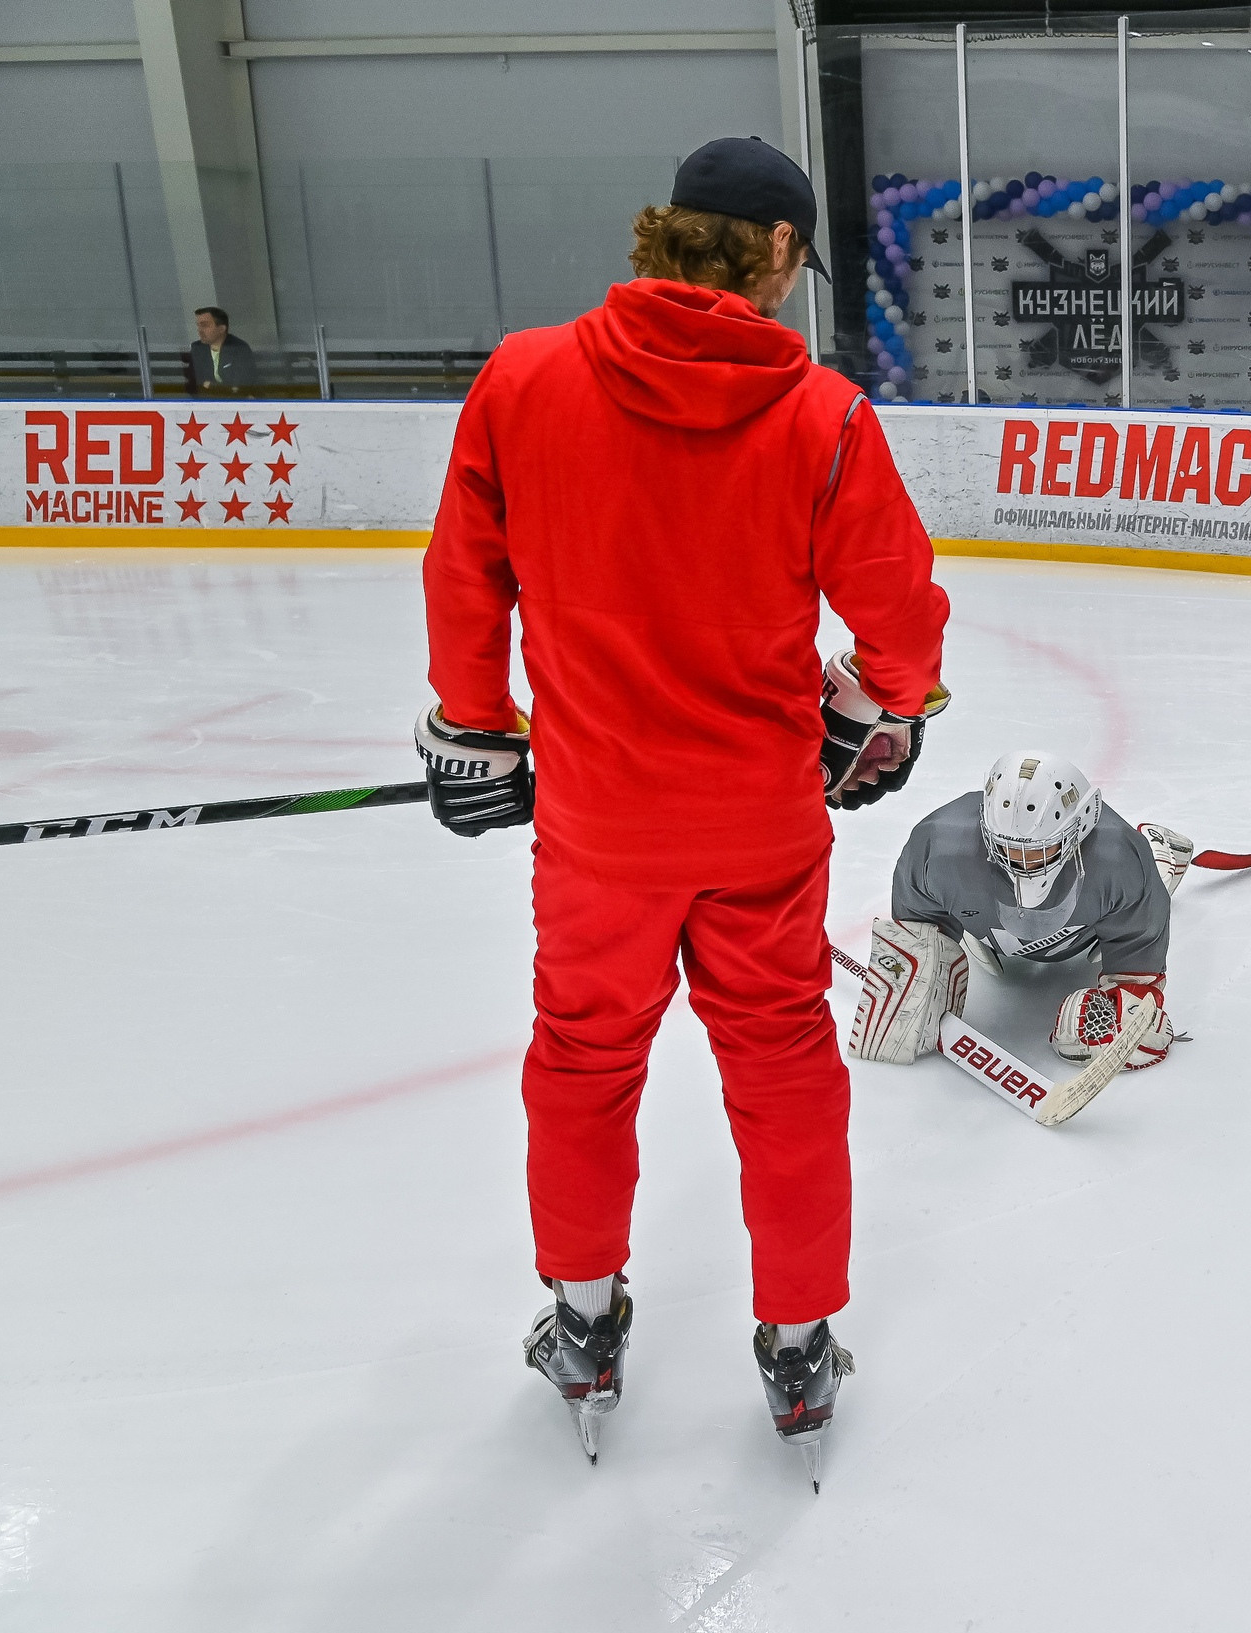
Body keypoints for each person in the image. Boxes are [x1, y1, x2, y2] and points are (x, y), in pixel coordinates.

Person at [418, 137, 949, 1472]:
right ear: (775, 249)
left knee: (582, 1065)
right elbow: (898, 619)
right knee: (781, 1072)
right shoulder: (822, 416)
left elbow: (464, 580)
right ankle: (798, 1337)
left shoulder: (522, 381)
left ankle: (585, 1318)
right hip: (760, 831)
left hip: (598, 832)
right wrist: (885, 714)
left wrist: (478, 731)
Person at [855, 750, 1193, 1075]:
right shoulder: (936, 847)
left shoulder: (1119, 859)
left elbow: (1137, 969)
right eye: (1005, 847)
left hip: (1084, 937)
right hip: (992, 932)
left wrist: (1133, 1004)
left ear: (1082, 826)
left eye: (1041, 848)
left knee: (1143, 880)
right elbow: (917, 940)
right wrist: (911, 971)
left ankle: (1160, 854)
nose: (1022, 863)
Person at [183, 307, 258, 397]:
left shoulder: (238, 348)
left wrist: (210, 386)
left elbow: (240, 386)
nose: (199, 330)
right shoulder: (198, 348)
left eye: (204, 325)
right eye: (198, 326)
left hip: (235, 402)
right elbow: (194, 382)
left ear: (221, 329)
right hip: (206, 402)